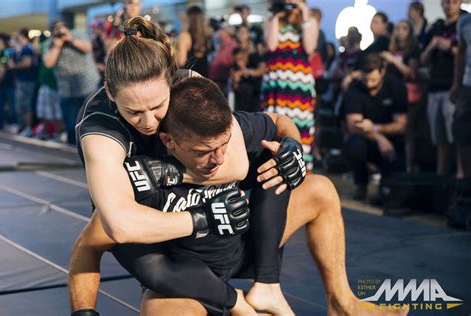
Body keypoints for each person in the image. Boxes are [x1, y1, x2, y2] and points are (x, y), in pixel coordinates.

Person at [70, 76, 408, 316]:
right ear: (170, 142)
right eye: (204, 152)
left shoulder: (221, 130)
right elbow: (89, 244)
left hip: (246, 244)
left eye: (222, 147)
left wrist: (293, 148)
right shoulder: (142, 175)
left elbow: (278, 121)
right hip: (188, 277)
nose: (218, 160)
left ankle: (341, 303)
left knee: (320, 189)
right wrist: (84, 313)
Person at [261, 0, 318, 171]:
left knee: (300, 125)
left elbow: (309, 47)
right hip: (276, 81)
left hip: (299, 83)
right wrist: (275, 16)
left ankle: (301, 166)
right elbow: (271, 45)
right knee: (275, 123)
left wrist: (304, 14)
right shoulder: (273, 19)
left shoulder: (309, 21)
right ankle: (273, 163)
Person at [344, 53, 408, 201]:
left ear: (382, 72)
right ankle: (361, 184)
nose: (368, 83)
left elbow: (401, 125)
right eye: (365, 78)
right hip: (366, 139)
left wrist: (376, 128)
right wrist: (378, 137)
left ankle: (385, 186)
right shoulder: (355, 88)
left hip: (393, 142)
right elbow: (353, 126)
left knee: (393, 190)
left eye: (372, 79)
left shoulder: (396, 86)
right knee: (354, 145)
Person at [420, 0, 462, 176]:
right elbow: (422, 60)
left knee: (459, 137)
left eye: (453, 2)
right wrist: (432, 46)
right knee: (439, 138)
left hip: (454, 87)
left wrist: (451, 47)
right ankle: (441, 176)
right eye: (446, 2)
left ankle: (462, 176)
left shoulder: (465, 23)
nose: (449, 5)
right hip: (435, 87)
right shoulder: (436, 27)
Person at [43, 20, 100, 145]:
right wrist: (57, 46)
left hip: (87, 85)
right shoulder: (50, 44)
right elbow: (48, 63)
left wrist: (70, 39)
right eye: (55, 30)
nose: (59, 32)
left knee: (91, 119)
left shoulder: (78, 33)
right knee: (71, 124)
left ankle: (92, 147)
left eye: (61, 29)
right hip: (67, 90)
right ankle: (72, 149)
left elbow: (87, 48)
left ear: (67, 28)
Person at [381, 20, 421, 172]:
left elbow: (411, 73)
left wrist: (392, 60)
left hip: (409, 95)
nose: (400, 32)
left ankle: (409, 167)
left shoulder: (413, 50)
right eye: (397, 28)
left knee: (408, 131)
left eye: (404, 28)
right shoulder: (391, 49)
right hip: (391, 94)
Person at [450, 12, 471, 179]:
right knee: (462, 131)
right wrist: (456, 83)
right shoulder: (464, 22)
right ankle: (467, 181)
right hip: (467, 85)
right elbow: (461, 53)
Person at [7, 28, 37, 137]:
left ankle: (27, 128)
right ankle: (23, 127)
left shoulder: (26, 48)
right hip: (23, 81)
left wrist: (14, 66)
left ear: (22, 36)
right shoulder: (23, 48)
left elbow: (27, 64)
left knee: (26, 105)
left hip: (27, 81)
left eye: (18, 35)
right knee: (21, 105)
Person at [230, 24, 266, 112]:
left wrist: (246, 72)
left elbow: (262, 70)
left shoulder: (254, 54)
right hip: (240, 95)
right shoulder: (235, 52)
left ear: (248, 35)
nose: (240, 34)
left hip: (254, 93)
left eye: (243, 32)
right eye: (239, 32)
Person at [176, 5, 212, 77]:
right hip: (205, 76)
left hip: (191, 79)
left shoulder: (185, 35)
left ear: (189, 19)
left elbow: (181, 61)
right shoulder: (206, 35)